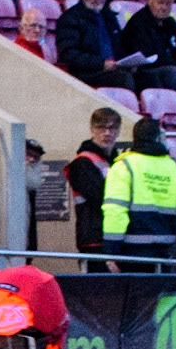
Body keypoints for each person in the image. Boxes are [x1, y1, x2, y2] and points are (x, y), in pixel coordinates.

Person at [102, 116, 176, 271]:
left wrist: (111, 252)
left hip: (130, 255)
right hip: (166, 255)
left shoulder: (123, 167)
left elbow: (115, 212)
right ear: (158, 139)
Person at [65, 106, 123, 271]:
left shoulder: (118, 162)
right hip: (93, 238)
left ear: (118, 131)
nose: (107, 133)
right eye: (101, 127)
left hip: (115, 236)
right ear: (92, 130)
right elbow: (99, 197)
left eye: (112, 128)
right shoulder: (83, 162)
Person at [119, 0, 176, 93]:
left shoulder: (171, 23)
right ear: (150, 1)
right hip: (144, 72)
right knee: (173, 72)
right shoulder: (138, 23)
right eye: (160, 3)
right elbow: (148, 57)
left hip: (171, 67)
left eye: (168, 4)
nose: (164, 8)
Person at [56, 0, 134, 92]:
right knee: (123, 78)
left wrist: (130, 62)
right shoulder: (70, 18)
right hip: (86, 74)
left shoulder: (109, 16)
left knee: (148, 75)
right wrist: (101, 64)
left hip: (114, 68)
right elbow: (68, 54)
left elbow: (120, 46)